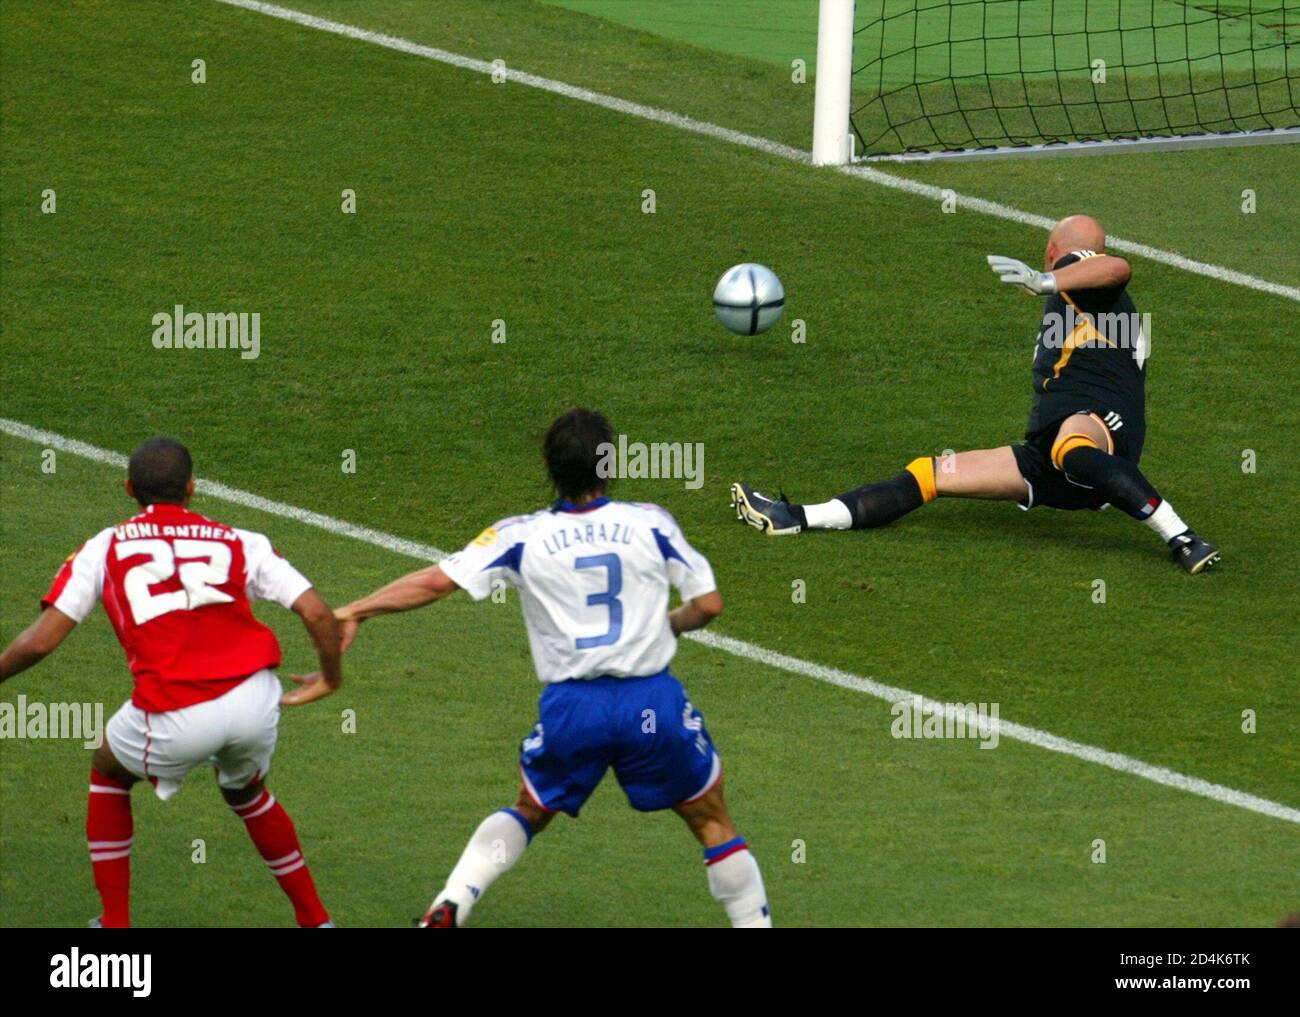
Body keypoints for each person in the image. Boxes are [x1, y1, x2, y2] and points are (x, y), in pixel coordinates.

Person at [334, 408, 771, 928]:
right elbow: (709, 605)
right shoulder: (650, 523)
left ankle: (451, 903)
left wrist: (356, 609)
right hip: (651, 704)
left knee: (531, 808)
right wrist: (666, 626)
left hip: (573, 708)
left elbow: (434, 583)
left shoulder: (519, 536)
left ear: (548, 467)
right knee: (711, 820)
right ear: (609, 466)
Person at [732, 214, 1219, 574]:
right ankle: (797, 517)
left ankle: (1181, 537)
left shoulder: (1081, 273)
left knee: (1073, 447)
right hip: (1046, 451)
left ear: (1052, 250)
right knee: (932, 474)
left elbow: (1116, 267)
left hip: (1098, 423)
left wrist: (1047, 278)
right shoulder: (1085, 302)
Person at [0, 437, 342, 927]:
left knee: (109, 771)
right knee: (247, 792)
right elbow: (318, 613)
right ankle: (316, 921)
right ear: (192, 487)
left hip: (176, 711)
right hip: (255, 698)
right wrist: (330, 678)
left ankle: (115, 923)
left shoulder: (106, 545)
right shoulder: (243, 541)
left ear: (127, 490)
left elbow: (39, 642)